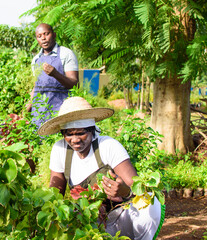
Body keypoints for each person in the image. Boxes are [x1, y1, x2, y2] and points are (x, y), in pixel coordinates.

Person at [37, 96, 164, 240]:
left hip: (122, 218)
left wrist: (125, 191)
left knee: (149, 204)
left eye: (81, 133)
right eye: (69, 134)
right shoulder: (60, 150)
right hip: (91, 222)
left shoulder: (108, 146)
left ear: (92, 131)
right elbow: (56, 194)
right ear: (63, 134)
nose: (75, 139)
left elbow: (137, 188)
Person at [27, 23, 79, 128]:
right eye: (39, 36)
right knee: (38, 139)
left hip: (60, 108)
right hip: (39, 110)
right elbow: (35, 86)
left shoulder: (66, 54)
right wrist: (29, 104)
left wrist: (55, 74)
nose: (43, 38)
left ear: (54, 35)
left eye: (46, 34)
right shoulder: (36, 59)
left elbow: (75, 84)